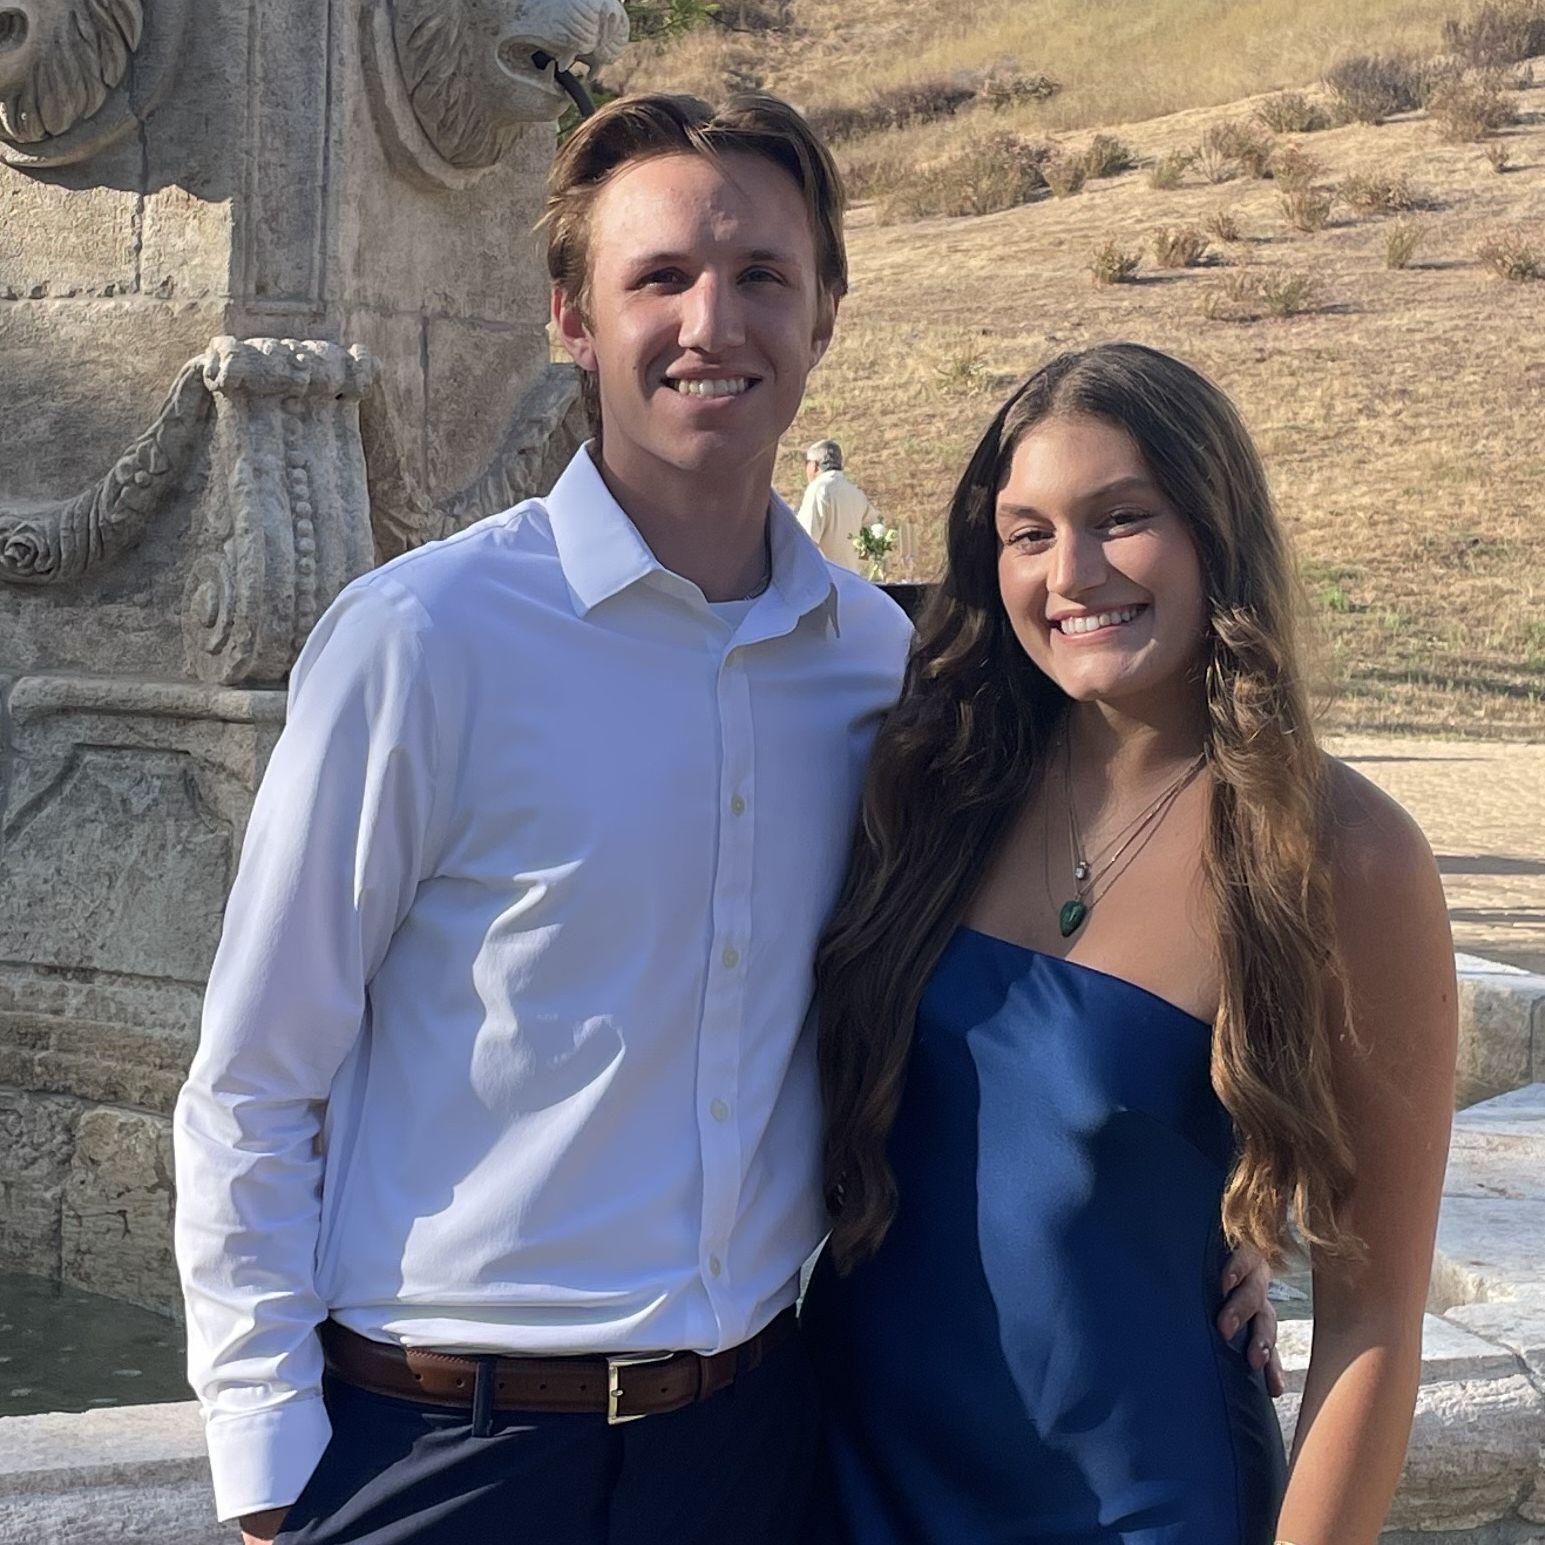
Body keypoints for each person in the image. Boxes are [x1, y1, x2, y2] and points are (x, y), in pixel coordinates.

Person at [172, 92, 1281, 1545]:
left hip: (754, 1447)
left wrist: (1221, 1209)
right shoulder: (423, 641)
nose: (714, 322)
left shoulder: (883, 668)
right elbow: (257, 1074)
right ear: (573, 319)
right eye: (660, 278)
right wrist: (265, 1468)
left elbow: (1056, 957)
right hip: (442, 1445)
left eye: (762, 273)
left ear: (824, 315)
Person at [801, 343, 1457, 1545]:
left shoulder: (1338, 856)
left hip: (1138, 1510)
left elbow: (1373, 1323)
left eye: (1122, 519)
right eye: (1030, 533)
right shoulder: (930, 783)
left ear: (1215, 527)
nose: (1074, 573)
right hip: (850, 1486)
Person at [796, 439, 874, 575]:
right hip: (852, 579)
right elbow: (873, 536)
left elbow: (805, 541)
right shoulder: (855, 493)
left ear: (814, 465)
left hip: (826, 579)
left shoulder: (818, 489)